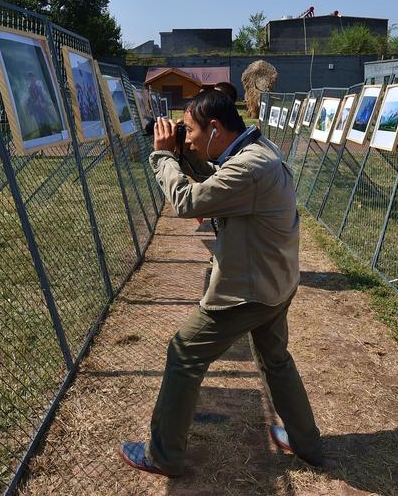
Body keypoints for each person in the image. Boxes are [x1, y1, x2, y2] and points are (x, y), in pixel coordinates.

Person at [119, 90, 323, 477]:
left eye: (191, 130)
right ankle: (305, 442)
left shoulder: (249, 169)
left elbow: (189, 202)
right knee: (276, 361)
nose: (189, 138)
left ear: (215, 128)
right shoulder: (258, 151)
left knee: (183, 355)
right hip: (276, 283)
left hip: (247, 291)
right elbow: (218, 183)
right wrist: (185, 154)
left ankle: (162, 455)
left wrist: (163, 156)